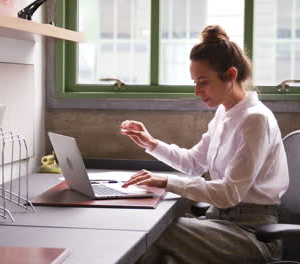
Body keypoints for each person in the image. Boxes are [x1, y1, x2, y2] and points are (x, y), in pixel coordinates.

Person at [120, 25, 289, 263]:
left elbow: (229, 193)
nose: (196, 91)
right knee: (156, 252)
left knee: (153, 230)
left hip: (253, 235)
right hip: (218, 222)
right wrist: (151, 143)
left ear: (230, 75)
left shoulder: (255, 119)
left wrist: (166, 182)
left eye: (203, 82)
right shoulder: (225, 113)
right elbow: (193, 163)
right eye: (194, 82)